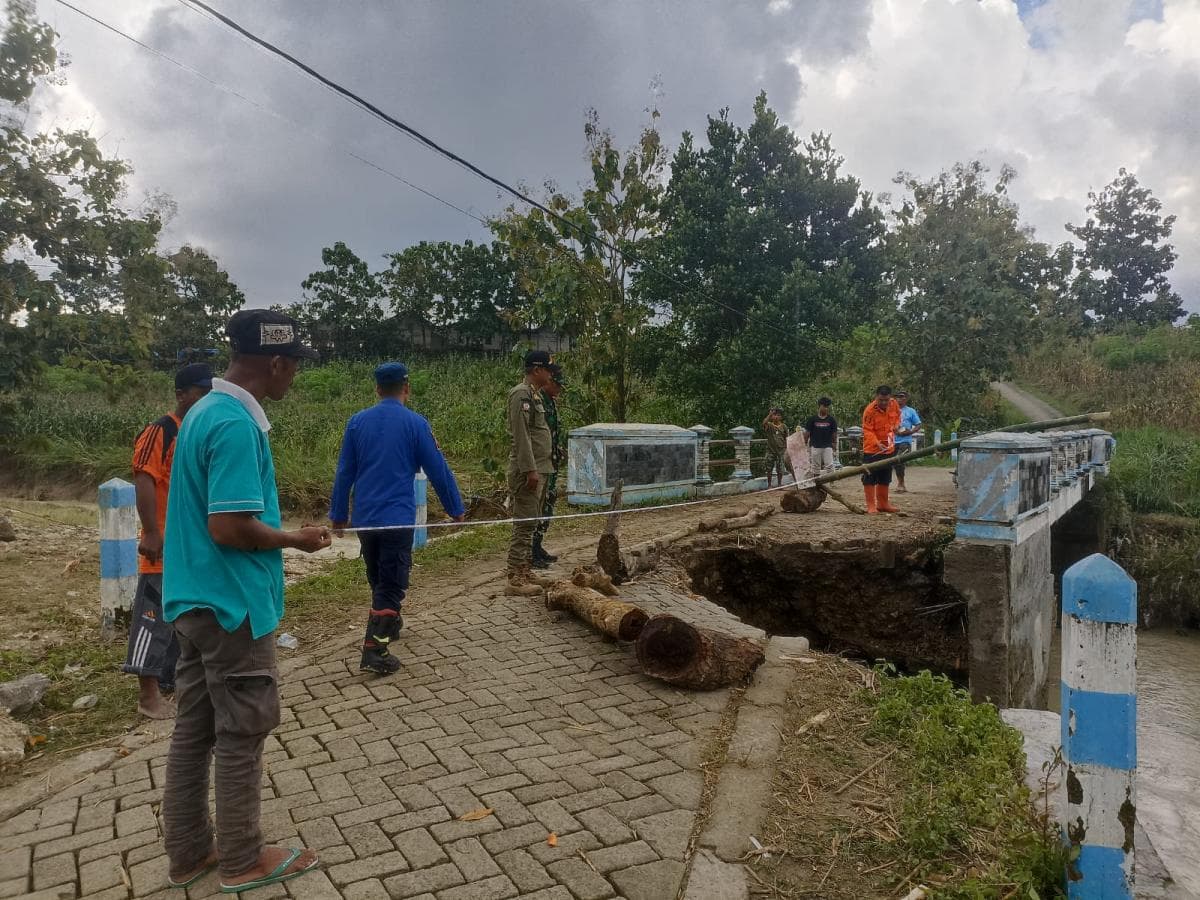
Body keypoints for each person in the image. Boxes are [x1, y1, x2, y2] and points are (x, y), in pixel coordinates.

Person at [160, 309, 331, 894]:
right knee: (243, 732)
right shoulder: (234, 423)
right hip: (232, 609)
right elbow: (231, 527)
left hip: (191, 603)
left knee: (194, 731)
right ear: (276, 362)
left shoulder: (202, 410)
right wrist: (295, 539)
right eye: (294, 367)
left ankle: (189, 855)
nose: (295, 379)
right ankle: (241, 859)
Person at [329, 362, 466, 674]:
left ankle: (391, 622)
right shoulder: (416, 424)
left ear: (377, 389)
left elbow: (344, 472)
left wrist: (338, 515)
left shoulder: (356, 422)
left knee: (378, 576)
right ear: (407, 388)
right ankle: (374, 649)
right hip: (397, 519)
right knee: (391, 583)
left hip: (365, 519)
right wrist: (455, 508)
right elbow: (438, 470)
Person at [123, 363, 213, 720]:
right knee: (152, 619)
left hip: (188, 547)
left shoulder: (195, 431)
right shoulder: (160, 431)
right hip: (162, 545)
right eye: (200, 392)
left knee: (183, 620)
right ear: (181, 394)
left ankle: (172, 683)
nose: (206, 399)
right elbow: (144, 479)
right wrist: (151, 531)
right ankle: (147, 698)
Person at [506, 349, 554, 595]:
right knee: (524, 524)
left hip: (541, 468)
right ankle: (515, 577)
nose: (550, 373)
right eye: (547, 369)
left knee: (532, 522)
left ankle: (525, 569)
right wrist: (530, 470)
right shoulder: (520, 394)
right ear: (537, 370)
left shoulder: (535, 394)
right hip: (529, 471)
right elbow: (522, 436)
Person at [531, 363, 566, 569]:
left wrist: (558, 448)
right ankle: (531, 550)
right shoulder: (537, 400)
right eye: (558, 385)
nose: (560, 390)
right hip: (540, 464)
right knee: (536, 507)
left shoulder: (551, 402)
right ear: (549, 381)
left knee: (548, 505)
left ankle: (538, 545)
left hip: (551, 464)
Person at [861, 385, 901, 515]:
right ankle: (871, 506)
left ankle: (883, 504)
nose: (884, 403)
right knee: (870, 476)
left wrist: (896, 426)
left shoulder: (894, 404)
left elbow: (898, 417)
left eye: (886, 400)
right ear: (876, 397)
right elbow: (867, 430)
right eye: (881, 400)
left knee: (885, 476)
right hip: (872, 449)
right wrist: (877, 443)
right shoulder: (869, 411)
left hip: (889, 447)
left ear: (890, 398)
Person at [894, 390, 922, 493]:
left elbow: (918, 424)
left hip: (905, 440)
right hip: (891, 440)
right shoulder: (890, 410)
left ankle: (901, 483)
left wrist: (910, 431)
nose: (899, 399)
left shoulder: (910, 411)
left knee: (899, 460)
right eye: (897, 397)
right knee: (890, 462)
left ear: (906, 398)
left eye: (902, 397)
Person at [803, 397, 839, 474]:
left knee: (829, 465)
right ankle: (817, 483)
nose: (826, 409)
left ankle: (831, 483)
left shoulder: (831, 420)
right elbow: (807, 433)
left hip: (827, 446)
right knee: (815, 466)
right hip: (815, 446)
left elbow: (834, 433)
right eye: (824, 406)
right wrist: (804, 444)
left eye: (827, 407)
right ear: (819, 406)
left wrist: (834, 444)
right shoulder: (812, 419)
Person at [761, 407, 791, 488]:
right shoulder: (770, 425)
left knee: (780, 469)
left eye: (778, 415)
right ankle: (769, 485)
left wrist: (787, 449)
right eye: (774, 415)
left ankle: (779, 484)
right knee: (769, 468)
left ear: (781, 417)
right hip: (771, 450)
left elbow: (786, 438)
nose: (776, 417)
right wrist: (769, 414)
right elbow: (764, 423)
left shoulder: (784, 426)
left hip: (781, 450)